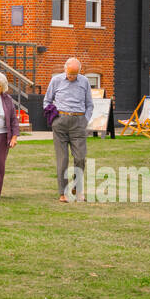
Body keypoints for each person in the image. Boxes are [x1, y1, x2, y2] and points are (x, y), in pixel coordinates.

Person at [43, 57, 95, 202]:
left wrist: (85, 120)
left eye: (75, 74)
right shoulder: (56, 80)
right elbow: (47, 101)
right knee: (63, 159)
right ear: (65, 69)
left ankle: (77, 189)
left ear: (79, 71)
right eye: (70, 74)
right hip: (60, 123)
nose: (72, 77)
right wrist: (53, 119)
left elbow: (90, 104)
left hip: (78, 123)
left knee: (80, 158)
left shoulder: (84, 81)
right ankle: (63, 193)